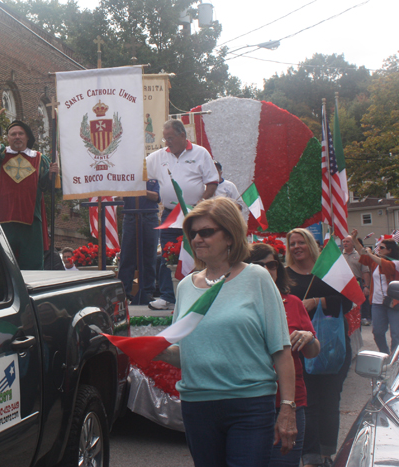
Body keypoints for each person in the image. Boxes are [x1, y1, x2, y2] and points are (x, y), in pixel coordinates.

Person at [156, 197, 297, 467]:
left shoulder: (257, 277)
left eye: (206, 232)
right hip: (197, 405)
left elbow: (281, 350)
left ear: (230, 236)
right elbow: (184, 353)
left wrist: (288, 407)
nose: (197, 239)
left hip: (250, 405)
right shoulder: (185, 287)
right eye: (193, 233)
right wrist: (152, 350)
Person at [249, 243, 320, 467]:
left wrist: (309, 337)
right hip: (248, 401)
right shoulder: (236, 304)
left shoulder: (293, 303)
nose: (267, 270)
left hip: (289, 402)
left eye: (272, 265)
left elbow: (313, 351)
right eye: (259, 265)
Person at [285, 228, 352, 467]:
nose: (296, 247)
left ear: (310, 245)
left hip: (334, 347)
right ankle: (310, 455)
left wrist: (316, 302)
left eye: (301, 242)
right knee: (308, 402)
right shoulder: (285, 276)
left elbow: (348, 302)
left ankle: (327, 453)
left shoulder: (328, 271)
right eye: (292, 243)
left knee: (330, 401)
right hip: (300, 348)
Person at [0, 98, 58, 270]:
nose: (17, 137)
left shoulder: (39, 159)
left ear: (28, 137)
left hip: (31, 222)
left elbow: (46, 188)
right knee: (3, 267)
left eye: (20, 134)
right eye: (13, 134)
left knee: (33, 268)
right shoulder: (0, 154)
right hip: (2, 219)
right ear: (7, 138)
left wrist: (52, 175)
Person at [146, 119, 219, 310]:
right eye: (165, 139)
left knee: (198, 252)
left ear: (182, 135)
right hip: (171, 214)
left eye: (170, 138)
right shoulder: (158, 157)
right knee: (168, 253)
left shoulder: (200, 153)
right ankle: (168, 296)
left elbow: (212, 181)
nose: (167, 142)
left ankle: (199, 293)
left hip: (195, 213)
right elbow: (138, 171)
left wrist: (202, 203)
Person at [351, 229, 399, 354]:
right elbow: (362, 252)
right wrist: (354, 239)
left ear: (389, 250)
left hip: (394, 302)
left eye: (381, 247)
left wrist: (371, 254)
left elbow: (386, 265)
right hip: (377, 302)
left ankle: (395, 359)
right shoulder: (375, 263)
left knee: (396, 334)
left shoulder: (398, 263)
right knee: (377, 332)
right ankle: (385, 354)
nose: (378, 249)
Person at [118, 179, 160, 302]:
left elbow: (156, 196)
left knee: (149, 255)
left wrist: (139, 189)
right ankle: (124, 293)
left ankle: (147, 292)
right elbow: (118, 197)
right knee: (127, 256)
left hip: (149, 216)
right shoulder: (126, 178)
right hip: (130, 216)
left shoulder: (152, 179)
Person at [342, 236, 371, 326]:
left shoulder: (359, 255)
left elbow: (365, 271)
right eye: (344, 242)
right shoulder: (339, 256)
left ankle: (361, 319)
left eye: (348, 242)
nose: (345, 243)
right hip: (343, 284)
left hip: (356, 283)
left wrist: (366, 286)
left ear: (353, 243)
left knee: (358, 304)